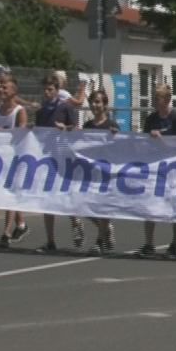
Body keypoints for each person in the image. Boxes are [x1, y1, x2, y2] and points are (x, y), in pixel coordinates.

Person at [136, 84, 176, 258]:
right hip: (155, 166)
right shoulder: (151, 119)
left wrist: (162, 141)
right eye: (154, 97)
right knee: (149, 204)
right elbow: (144, 141)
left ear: (166, 100)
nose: (154, 101)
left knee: (175, 204)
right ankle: (149, 243)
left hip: (174, 167)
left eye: (157, 98)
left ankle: (175, 243)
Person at [31, 74, 82, 253]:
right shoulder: (42, 110)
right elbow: (39, 133)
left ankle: (76, 220)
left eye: (50, 89)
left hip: (63, 156)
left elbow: (76, 130)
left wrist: (65, 129)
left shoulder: (65, 107)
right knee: (48, 200)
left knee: (66, 196)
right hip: (47, 158)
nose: (47, 93)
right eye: (45, 89)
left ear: (57, 90)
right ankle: (50, 241)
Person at [0, 78, 30, 250]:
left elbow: (21, 133)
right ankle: (21, 225)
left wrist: (4, 132)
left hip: (16, 158)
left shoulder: (19, 111)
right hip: (0, 159)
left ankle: (5, 233)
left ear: (14, 91)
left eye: (5, 88)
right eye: (0, 87)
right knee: (9, 194)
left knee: (10, 195)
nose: (1, 90)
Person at [81, 90, 121, 255]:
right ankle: (105, 229)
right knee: (83, 205)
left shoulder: (111, 125)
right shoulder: (88, 126)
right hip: (90, 171)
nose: (95, 105)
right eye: (93, 102)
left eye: (98, 102)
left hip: (106, 171)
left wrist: (116, 136)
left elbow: (122, 146)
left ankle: (99, 241)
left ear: (105, 105)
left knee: (102, 206)